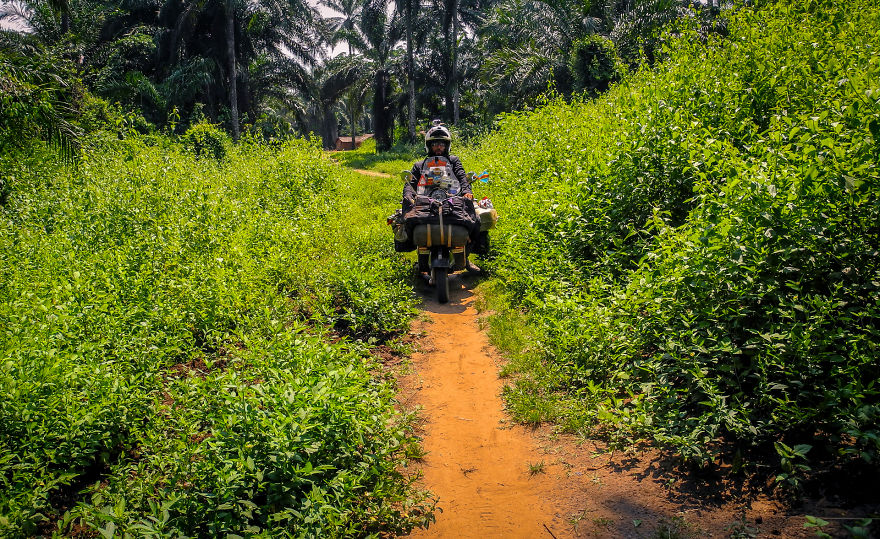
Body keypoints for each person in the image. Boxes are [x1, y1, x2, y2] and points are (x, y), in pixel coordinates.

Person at [403, 122, 481, 273]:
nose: (438, 147)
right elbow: (411, 183)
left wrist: (466, 191)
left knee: (475, 220)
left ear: (447, 146)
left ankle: (466, 257)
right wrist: (409, 195)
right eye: (435, 144)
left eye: (441, 144)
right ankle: (420, 256)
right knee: (406, 219)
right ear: (429, 146)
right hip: (426, 201)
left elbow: (461, 177)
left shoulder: (453, 161)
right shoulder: (419, 165)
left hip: (451, 199)